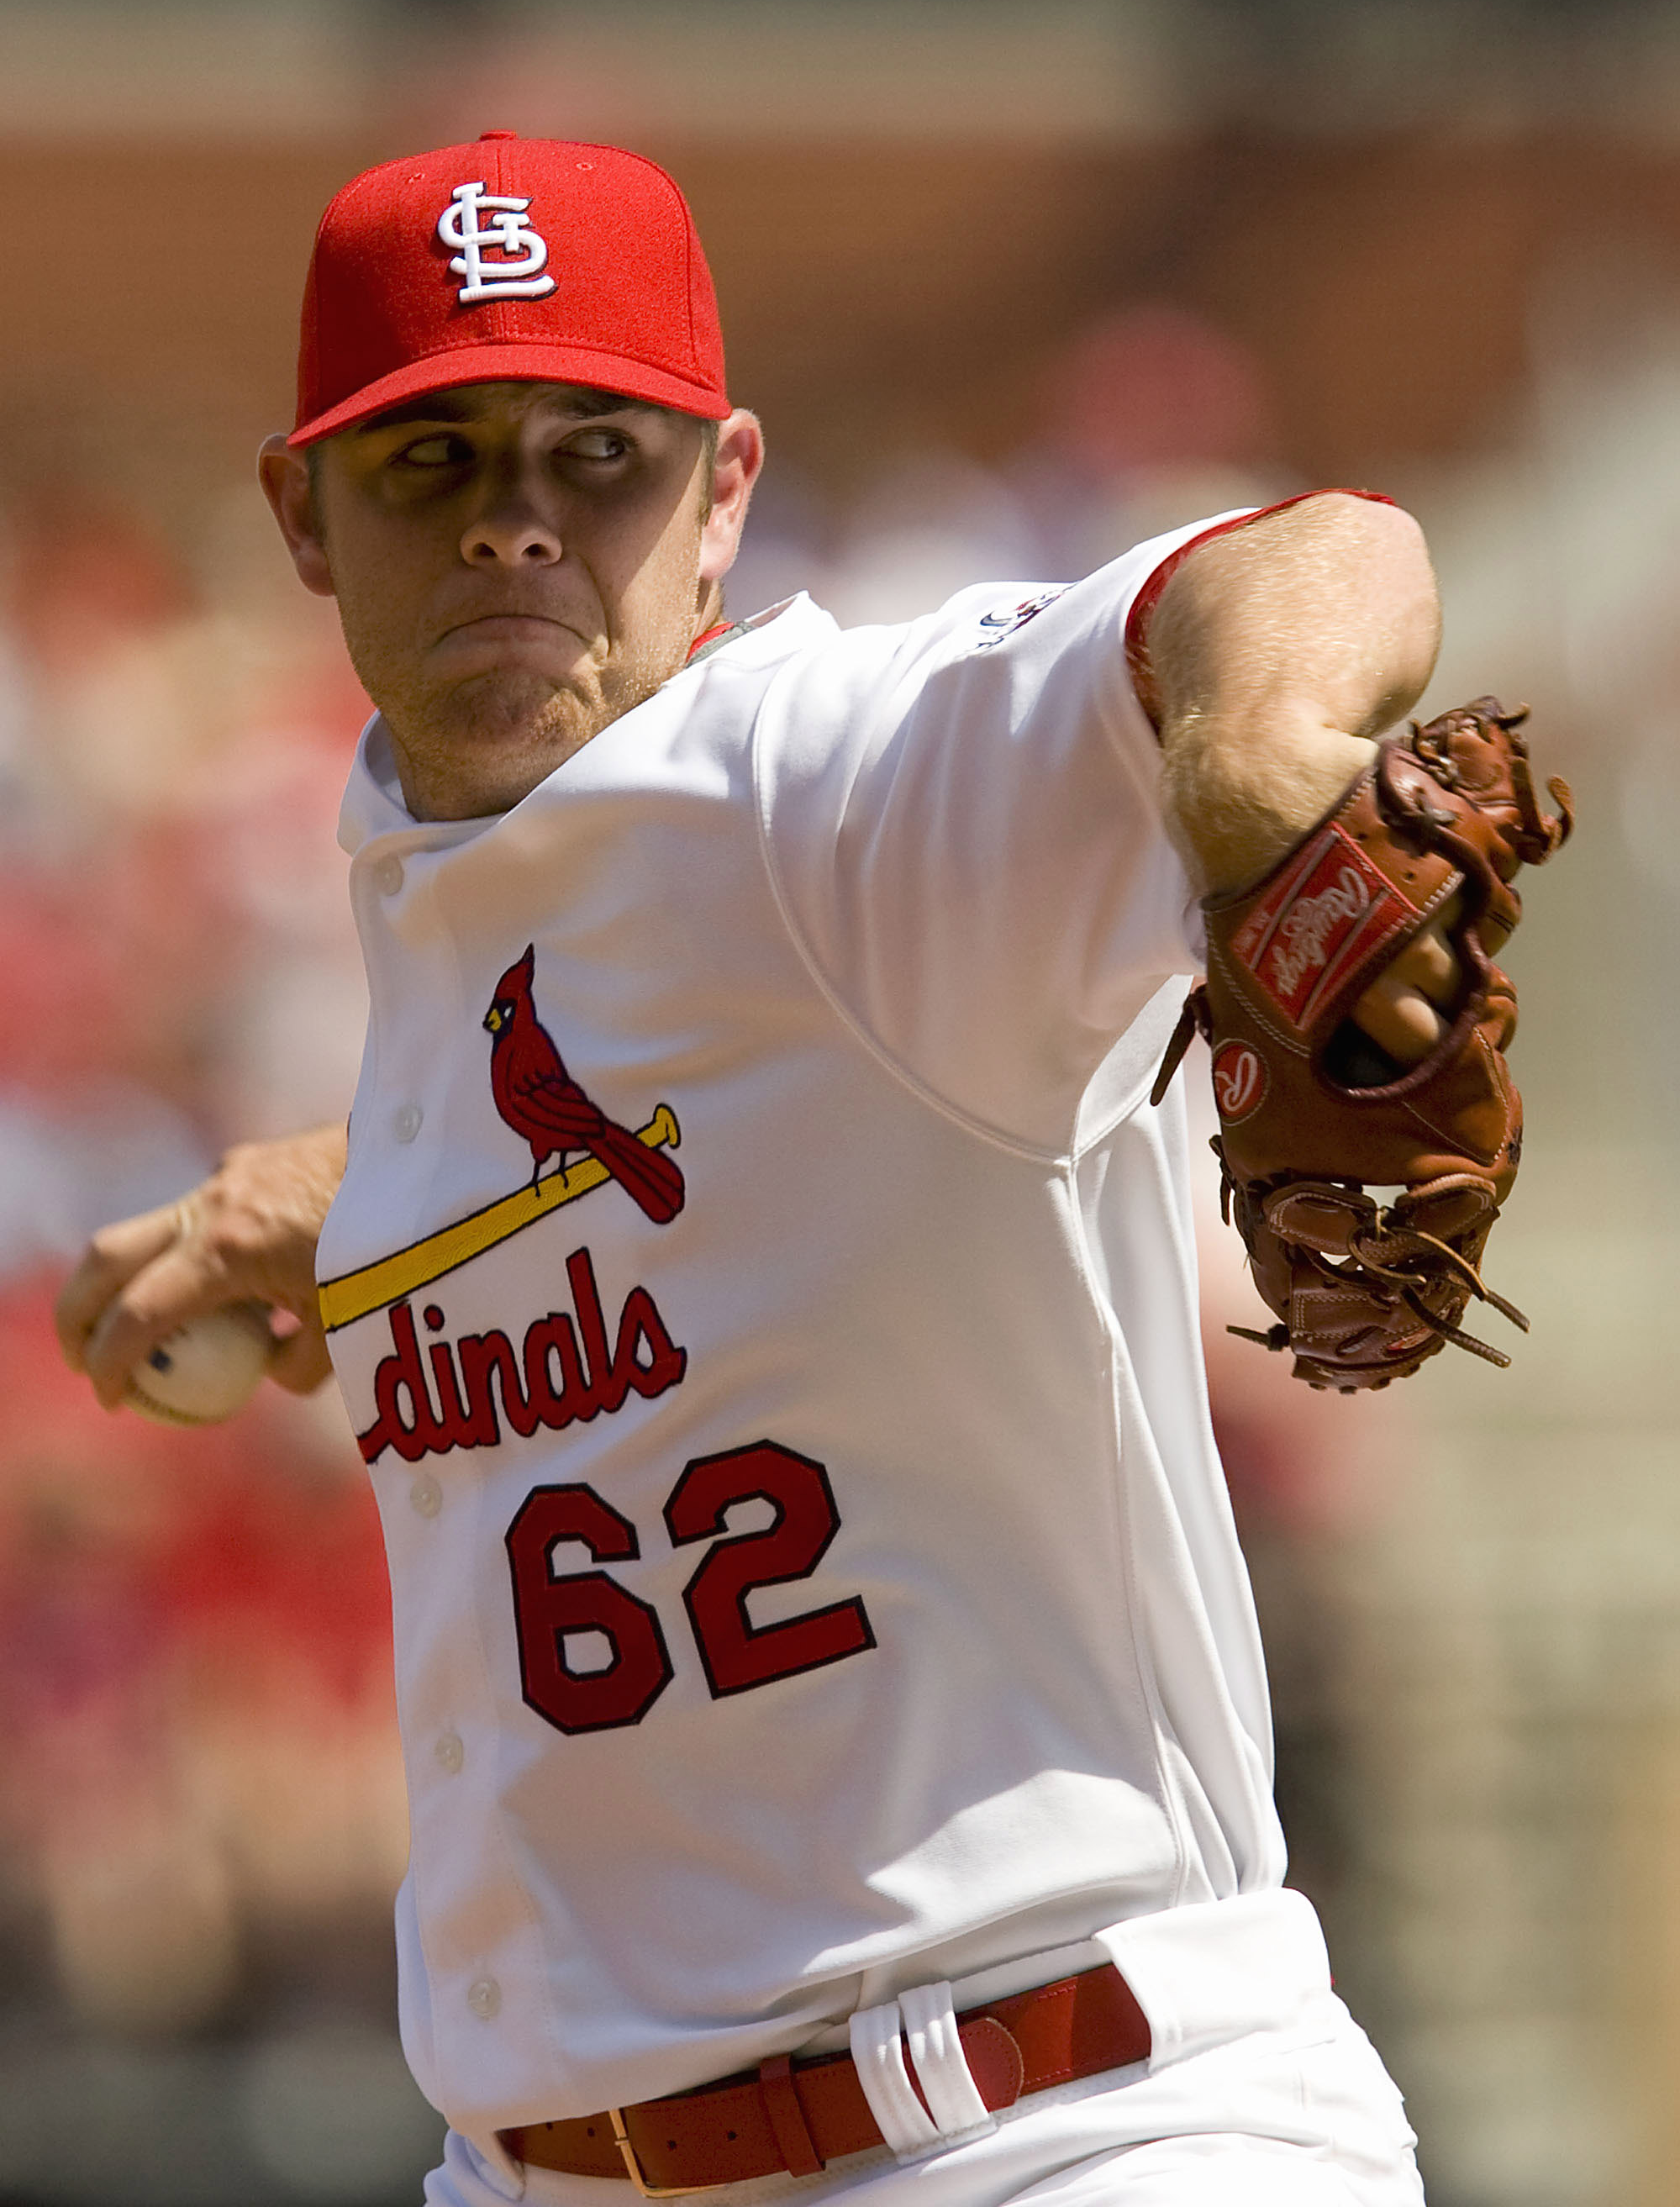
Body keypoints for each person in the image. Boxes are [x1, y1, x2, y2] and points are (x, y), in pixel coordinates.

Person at [57, 134, 1457, 2207]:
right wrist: (368, 1212)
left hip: (1060, 2132)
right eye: (431, 462)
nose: (518, 526)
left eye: (592, 457)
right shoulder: (438, 906)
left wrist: (1249, 762)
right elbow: (691, 1123)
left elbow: (1318, 556)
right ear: (302, 519)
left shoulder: (839, 789)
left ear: (724, 495)